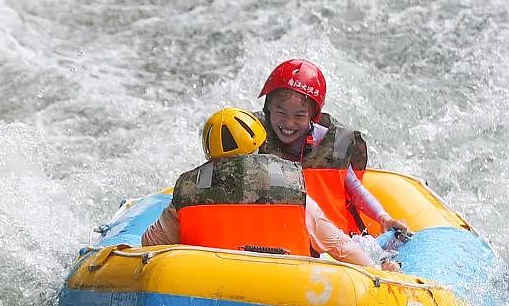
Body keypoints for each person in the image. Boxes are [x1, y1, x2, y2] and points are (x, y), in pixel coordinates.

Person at [140, 108, 400, 269]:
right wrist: (376, 269)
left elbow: (149, 243)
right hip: (290, 294)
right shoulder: (292, 186)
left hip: (208, 289)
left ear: (209, 153)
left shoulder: (188, 192)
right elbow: (341, 247)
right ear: (258, 144)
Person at [257, 59, 412, 241]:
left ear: (313, 116)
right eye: (281, 113)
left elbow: (354, 188)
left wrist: (382, 217)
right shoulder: (254, 138)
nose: (289, 123)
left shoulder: (331, 144)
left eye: (299, 115)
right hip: (279, 241)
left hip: (333, 244)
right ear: (268, 109)